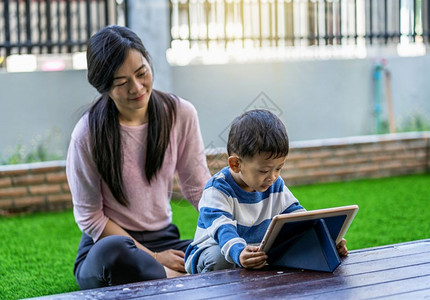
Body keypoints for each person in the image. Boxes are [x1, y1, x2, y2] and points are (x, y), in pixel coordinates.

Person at [66, 25, 210, 289]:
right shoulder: (86, 135)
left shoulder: (181, 114)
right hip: (110, 246)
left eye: (141, 73)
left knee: (215, 252)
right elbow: (90, 217)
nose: (137, 87)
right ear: (104, 87)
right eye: (121, 83)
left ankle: (165, 277)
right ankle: (179, 279)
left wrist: (227, 232)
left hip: (166, 239)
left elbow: (197, 186)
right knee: (114, 253)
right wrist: (154, 258)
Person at [184, 109, 348, 274]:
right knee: (218, 258)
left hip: (255, 252)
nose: (273, 177)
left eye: (279, 168)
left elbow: (297, 217)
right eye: (264, 171)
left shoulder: (274, 184)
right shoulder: (217, 189)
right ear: (235, 164)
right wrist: (239, 252)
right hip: (212, 252)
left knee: (292, 247)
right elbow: (222, 229)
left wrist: (325, 240)